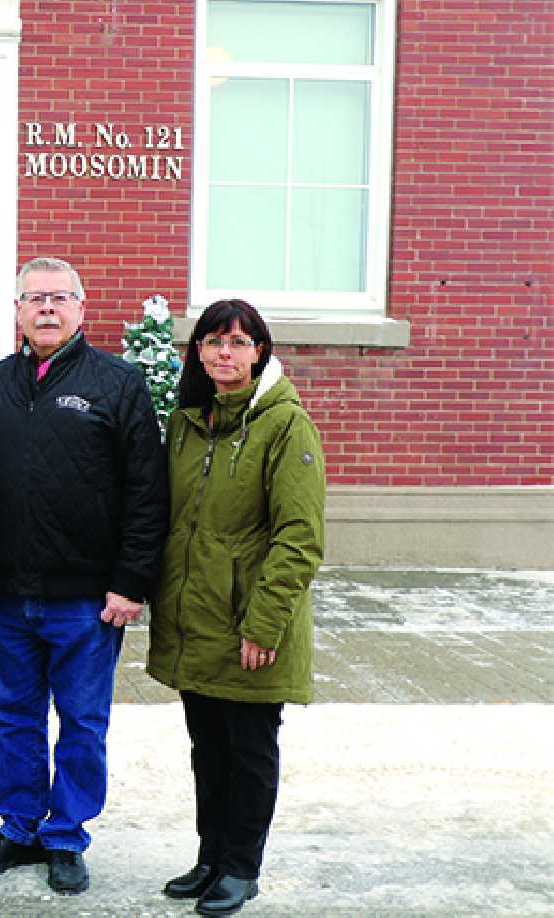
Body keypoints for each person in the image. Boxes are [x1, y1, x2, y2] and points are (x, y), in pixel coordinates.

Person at [0, 257, 167, 895]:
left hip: (87, 600)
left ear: (81, 308)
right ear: (17, 310)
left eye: (58, 298)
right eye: (33, 298)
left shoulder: (118, 385)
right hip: (10, 594)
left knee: (81, 720)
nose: (46, 308)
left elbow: (147, 493)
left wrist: (131, 582)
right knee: (12, 717)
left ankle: (67, 833)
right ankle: (18, 826)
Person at [146, 299, 325, 916]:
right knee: (207, 747)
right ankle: (209, 857)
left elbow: (299, 537)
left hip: (252, 625)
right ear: (197, 352)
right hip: (197, 620)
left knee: (250, 749)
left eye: (239, 342)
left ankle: (242, 868)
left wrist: (265, 623)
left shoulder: (284, 425)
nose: (226, 353)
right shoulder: (189, 422)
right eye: (214, 342)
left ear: (260, 352)